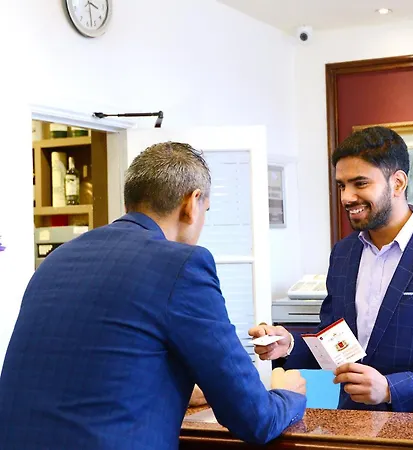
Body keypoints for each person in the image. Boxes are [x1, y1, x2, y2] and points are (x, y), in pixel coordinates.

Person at [0, 142, 307, 449]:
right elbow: (255, 418)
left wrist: (182, 387)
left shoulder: (58, 259)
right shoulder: (183, 265)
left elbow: (93, 370)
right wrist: (288, 393)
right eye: (207, 210)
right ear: (192, 203)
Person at [250, 126, 413, 414]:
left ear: (397, 183)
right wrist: (289, 345)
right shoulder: (343, 253)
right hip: (351, 423)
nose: (346, 197)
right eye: (342, 185)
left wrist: (390, 389)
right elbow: (336, 342)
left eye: (360, 183)